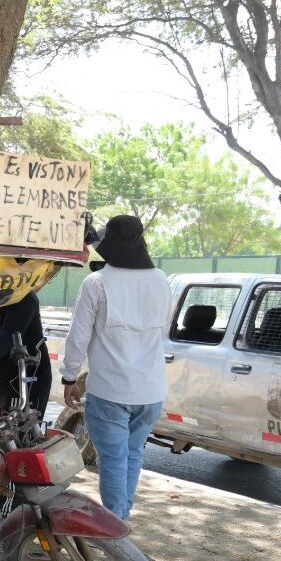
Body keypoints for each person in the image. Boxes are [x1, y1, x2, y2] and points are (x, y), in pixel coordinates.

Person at [59, 215, 173, 521]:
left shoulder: (97, 282)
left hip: (110, 390)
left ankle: (116, 526)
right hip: (150, 391)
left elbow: (78, 335)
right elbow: (162, 326)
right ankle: (122, 520)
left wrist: (70, 376)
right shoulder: (161, 280)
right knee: (133, 456)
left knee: (112, 459)